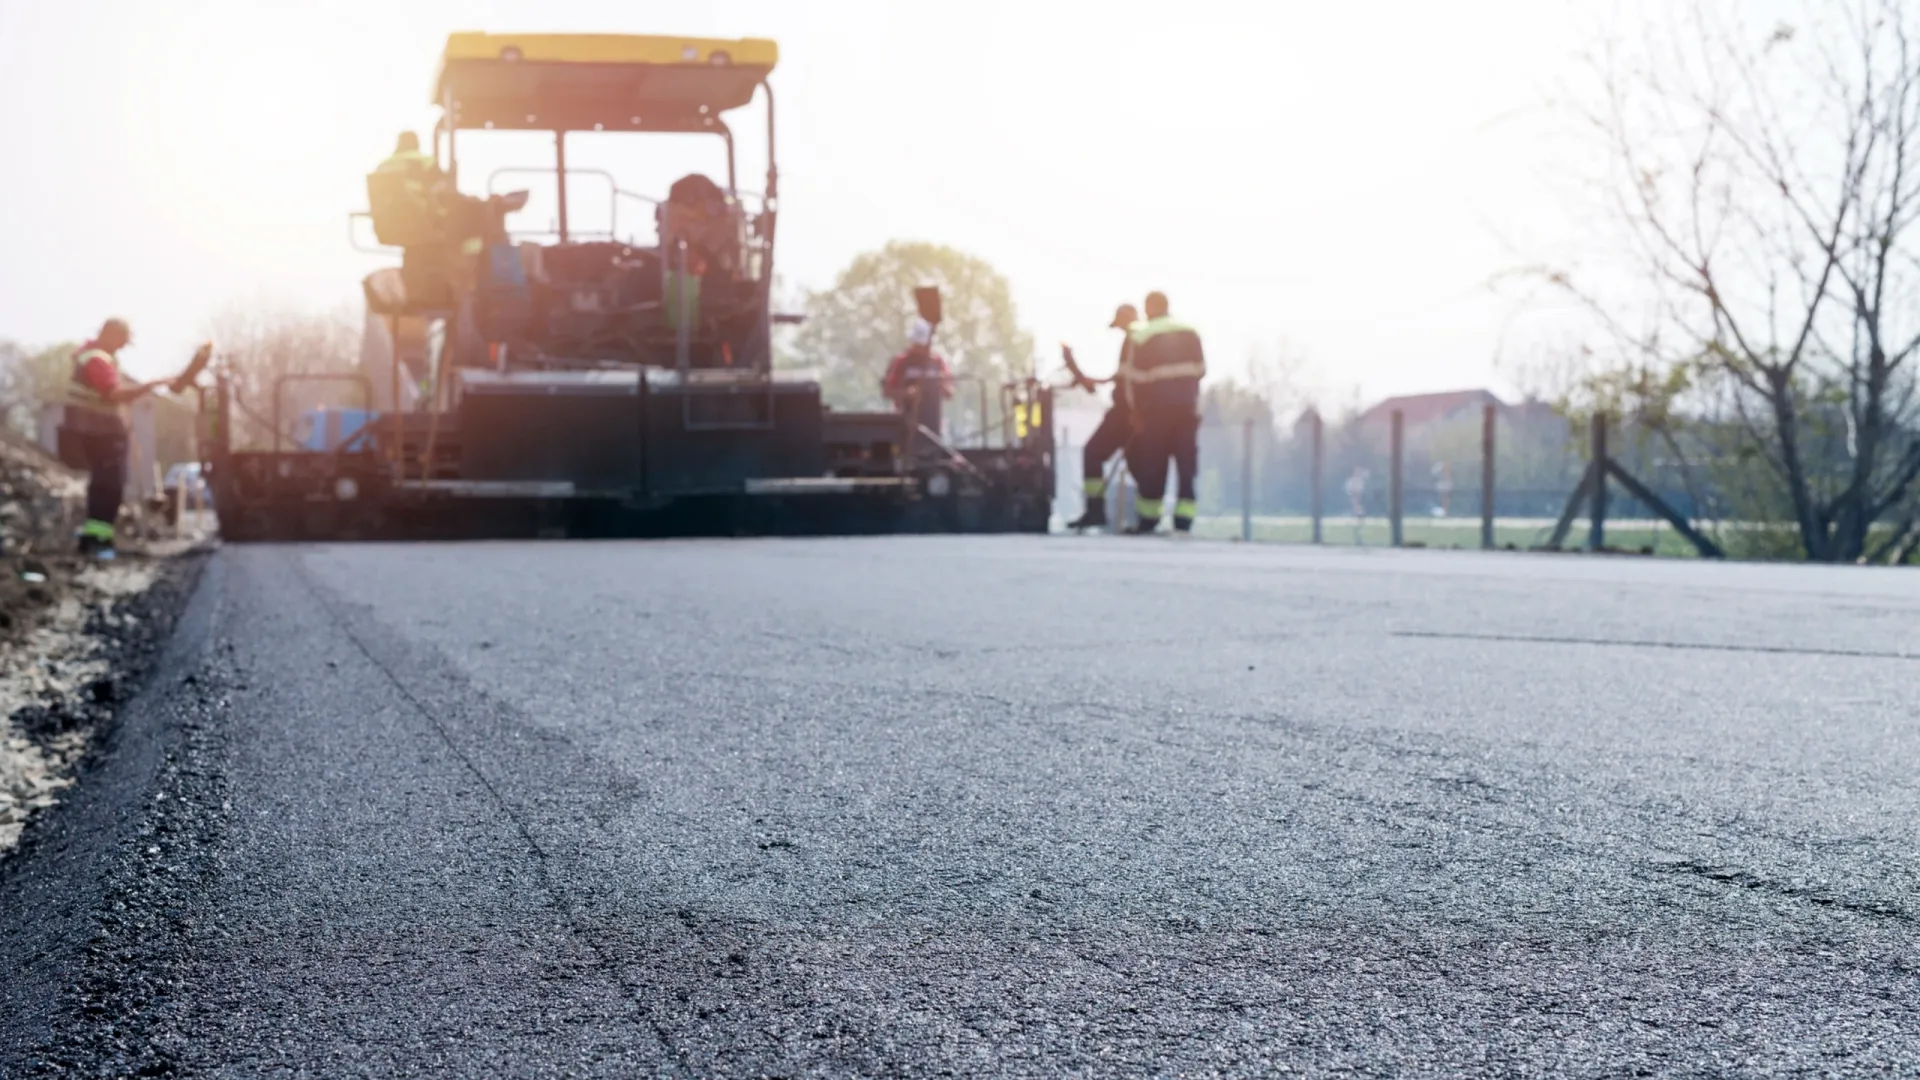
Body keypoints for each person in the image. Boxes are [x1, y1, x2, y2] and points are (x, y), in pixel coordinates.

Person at [60, 320, 202, 557]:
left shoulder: (91, 357)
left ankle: (97, 540)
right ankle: (97, 542)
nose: (123, 347)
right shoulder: (97, 360)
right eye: (122, 342)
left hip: (99, 432)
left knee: (104, 484)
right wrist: (154, 384)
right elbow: (114, 394)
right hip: (100, 433)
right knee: (108, 486)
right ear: (111, 335)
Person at [1123, 291, 1206, 533]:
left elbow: (1135, 380)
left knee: (1153, 464)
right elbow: (1200, 369)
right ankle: (1184, 519)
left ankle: (1149, 518)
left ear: (1148, 308)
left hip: (1156, 411)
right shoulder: (1190, 331)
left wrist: (1136, 412)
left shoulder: (1142, 335)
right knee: (1186, 464)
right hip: (1187, 409)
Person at [1061, 303, 1140, 530]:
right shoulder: (1137, 341)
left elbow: (1128, 381)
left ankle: (1096, 510)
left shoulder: (1134, 339)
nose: (1120, 329)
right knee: (1137, 463)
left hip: (1126, 412)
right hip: (1134, 411)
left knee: (1093, 453)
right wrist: (1092, 381)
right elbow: (1122, 377)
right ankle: (1146, 519)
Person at [882, 318, 954, 443]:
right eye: (916, 344)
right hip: (905, 422)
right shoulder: (901, 362)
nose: (918, 348)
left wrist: (942, 386)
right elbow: (887, 391)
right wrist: (907, 393)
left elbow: (949, 393)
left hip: (933, 424)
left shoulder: (937, 362)